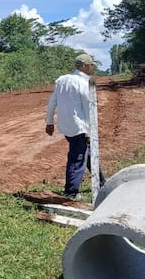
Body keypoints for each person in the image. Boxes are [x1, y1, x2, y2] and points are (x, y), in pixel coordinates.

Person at [44, 53, 105, 200]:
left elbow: (52, 102)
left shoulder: (62, 80)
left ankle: (102, 182)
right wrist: (91, 131)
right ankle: (71, 193)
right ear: (84, 66)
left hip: (66, 126)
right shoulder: (85, 83)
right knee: (77, 158)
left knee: (86, 152)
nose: (92, 68)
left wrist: (50, 121)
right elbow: (89, 108)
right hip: (79, 127)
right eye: (90, 65)